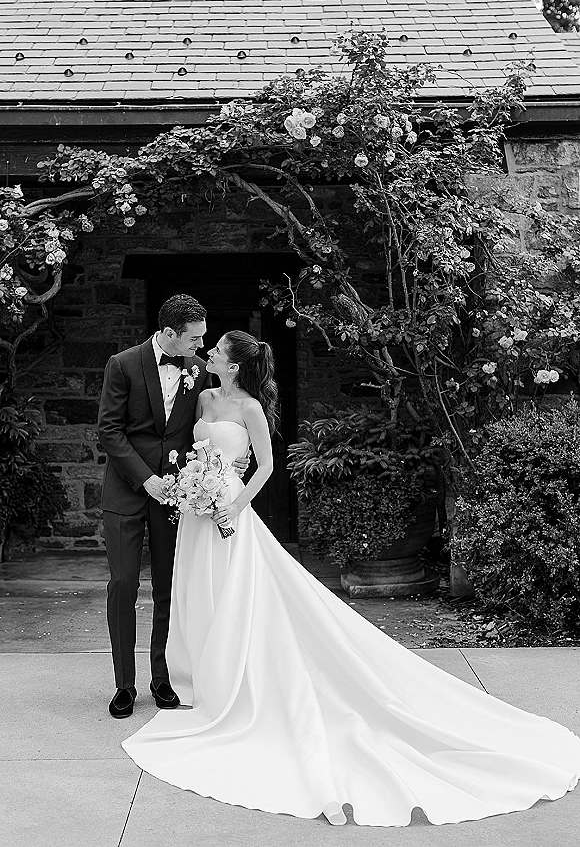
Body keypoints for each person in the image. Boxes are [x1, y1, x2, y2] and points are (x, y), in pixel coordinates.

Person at [122, 330, 580, 827]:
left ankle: (234, 675)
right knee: (196, 590)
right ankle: (197, 674)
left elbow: (266, 466)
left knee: (237, 593)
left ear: (233, 365)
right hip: (197, 509)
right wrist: (191, 485)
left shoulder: (251, 408)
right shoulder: (204, 397)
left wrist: (233, 503)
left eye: (217, 351)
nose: (208, 352)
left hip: (229, 509)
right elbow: (191, 449)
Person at [97, 295, 248, 719]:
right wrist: (146, 479)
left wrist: (235, 458)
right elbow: (109, 431)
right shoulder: (123, 364)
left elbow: (222, 415)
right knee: (123, 584)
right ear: (169, 333)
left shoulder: (197, 369)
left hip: (179, 495)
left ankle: (162, 678)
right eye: (194, 338)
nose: (201, 346)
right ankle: (124, 684)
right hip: (127, 491)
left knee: (169, 586)